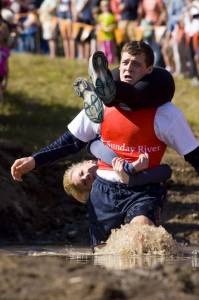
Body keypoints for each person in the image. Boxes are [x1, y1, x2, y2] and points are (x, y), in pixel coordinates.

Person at [11, 42, 199, 250]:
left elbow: (195, 155)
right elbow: (71, 142)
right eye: (125, 62)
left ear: (149, 70)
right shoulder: (99, 105)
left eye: (136, 64)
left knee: (141, 240)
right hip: (103, 191)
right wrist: (34, 160)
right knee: (103, 254)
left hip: (143, 189)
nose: (128, 68)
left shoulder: (166, 114)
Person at [63, 138, 172, 203]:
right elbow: (166, 171)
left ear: (86, 162)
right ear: (92, 189)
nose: (86, 177)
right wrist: (129, 176)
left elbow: (92, 144)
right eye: (85, 183)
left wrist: (129, 169)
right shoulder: (111, 185)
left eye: (81, 173)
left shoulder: (96, 148)